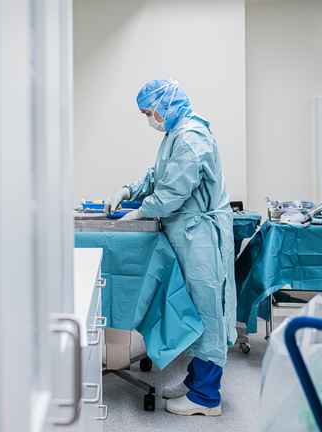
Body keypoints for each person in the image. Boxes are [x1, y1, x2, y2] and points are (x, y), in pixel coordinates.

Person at [104, 79, 236, 416]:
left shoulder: (191, 138)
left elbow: (173, 191)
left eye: (151, 112)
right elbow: (157, 176)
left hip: (200, 236)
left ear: (167, 105)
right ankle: (195, 381)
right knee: (191, 308)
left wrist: (141, 212)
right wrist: (128, 190)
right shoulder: (174, 136)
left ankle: (207, 398)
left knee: (207, 311)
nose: (150, 118)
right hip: (186, 235)